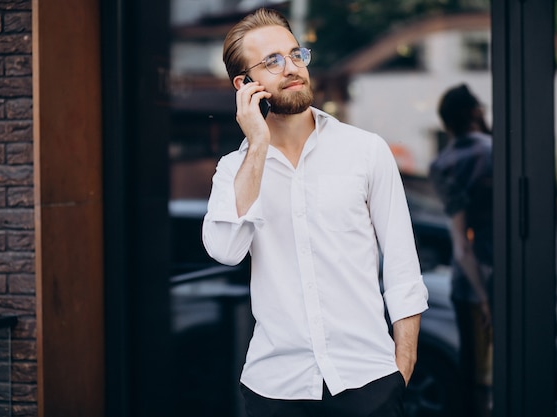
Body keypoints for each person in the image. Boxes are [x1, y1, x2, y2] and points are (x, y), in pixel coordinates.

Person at [202, 8, 428, 417]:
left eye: (295, 54)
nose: (291, 68)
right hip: (276, 389)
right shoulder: (234, 170)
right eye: (272, 62)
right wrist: (257, 145)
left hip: (369, 383)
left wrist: (402, 368)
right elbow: (226, 250)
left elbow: (402, 268)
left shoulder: (365, 150)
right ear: (245, 85)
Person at [429, 84, 493, 417]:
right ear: (475, 113)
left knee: (478, 379)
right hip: (502, 274)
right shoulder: (498, 150)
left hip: (469, 284)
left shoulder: (444, 163)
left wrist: (480, 295)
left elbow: (461, 243)